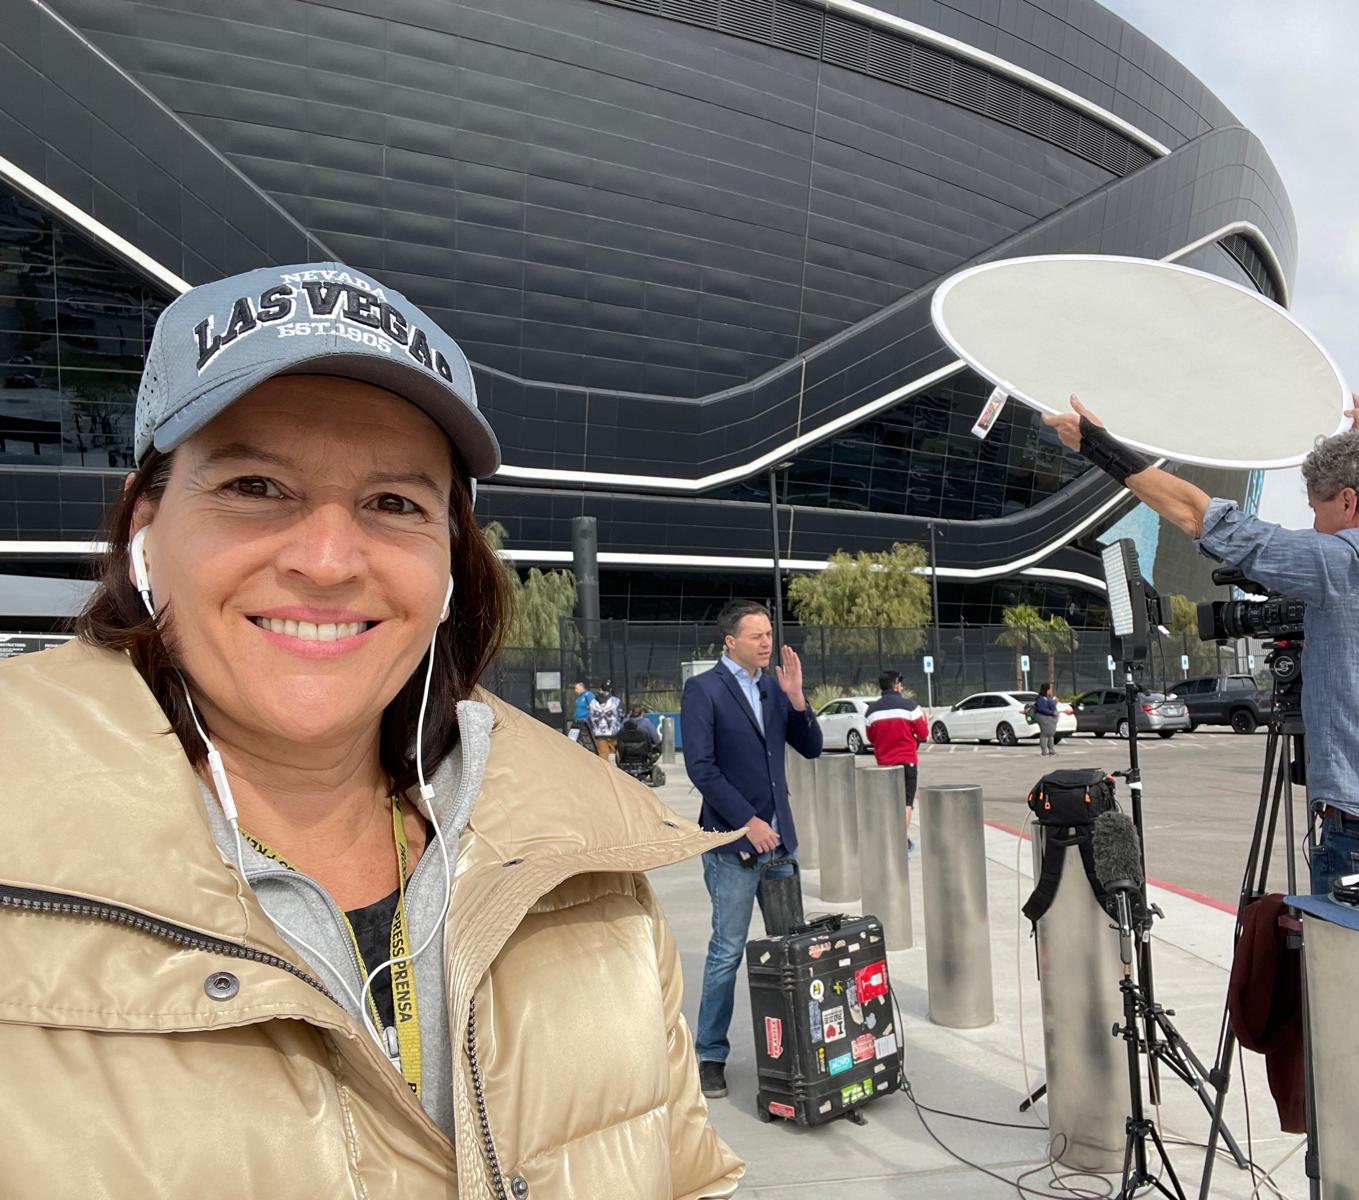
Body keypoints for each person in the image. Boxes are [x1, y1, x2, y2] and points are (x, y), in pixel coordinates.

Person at [0, 263, 743, 1198]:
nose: (326, 560)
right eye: (256, 484)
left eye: (393, 503)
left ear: (447, 567)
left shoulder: (588, 856)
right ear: (147, 529)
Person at [1045, 391, 1359, 1198]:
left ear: (1350, 502)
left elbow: (1197, 512)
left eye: (1319, 507)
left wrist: (1096, 443)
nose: (1315, 522)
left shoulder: (1346, 562)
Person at [680, 600, 822, 1099]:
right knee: (726, 953)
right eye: (756, 635)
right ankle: (711, 1055)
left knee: (793, 949)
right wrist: (747, 822)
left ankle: (804, 1046)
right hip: (732, 848)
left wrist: (798, 700)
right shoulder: (704, 691)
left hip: (781, 847)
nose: (767, 642)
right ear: (730, 641)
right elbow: (702, 768)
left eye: (769, 633)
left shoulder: (773, 687)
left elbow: (812, 748)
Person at [864, 669, 928, 850]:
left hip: (884, 764)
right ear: (897, 685)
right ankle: (901, 841)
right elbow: (923, 733)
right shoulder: (910, 707)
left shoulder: (871, 711)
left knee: (890, 802)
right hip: (907, 761)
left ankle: (892, 838)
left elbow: (871, 737)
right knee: (906, 802)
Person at [590, 681, 623, 761]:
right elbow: (622, 715)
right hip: (614, 734)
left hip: (599, 734)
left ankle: (603, 773)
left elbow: (590, 717)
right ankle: (620, 772)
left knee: (603, 758)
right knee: (620, 756)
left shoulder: (592, 702)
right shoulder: (616, 701)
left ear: (600, 689)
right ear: (611, 689)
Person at [1033, 682, 1060, 756]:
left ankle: (1051, 749)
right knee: (1045, 734)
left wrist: (1055, 702)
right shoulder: (1041, 699)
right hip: (1044, 718)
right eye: (1050, 689)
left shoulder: (1048, 698)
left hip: (1051, 718)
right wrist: (1052, 713)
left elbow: (1051, 705)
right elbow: (1042, 709)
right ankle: (1044, 750)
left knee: (1051, 734)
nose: (1051, 690)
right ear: (1047, 690)